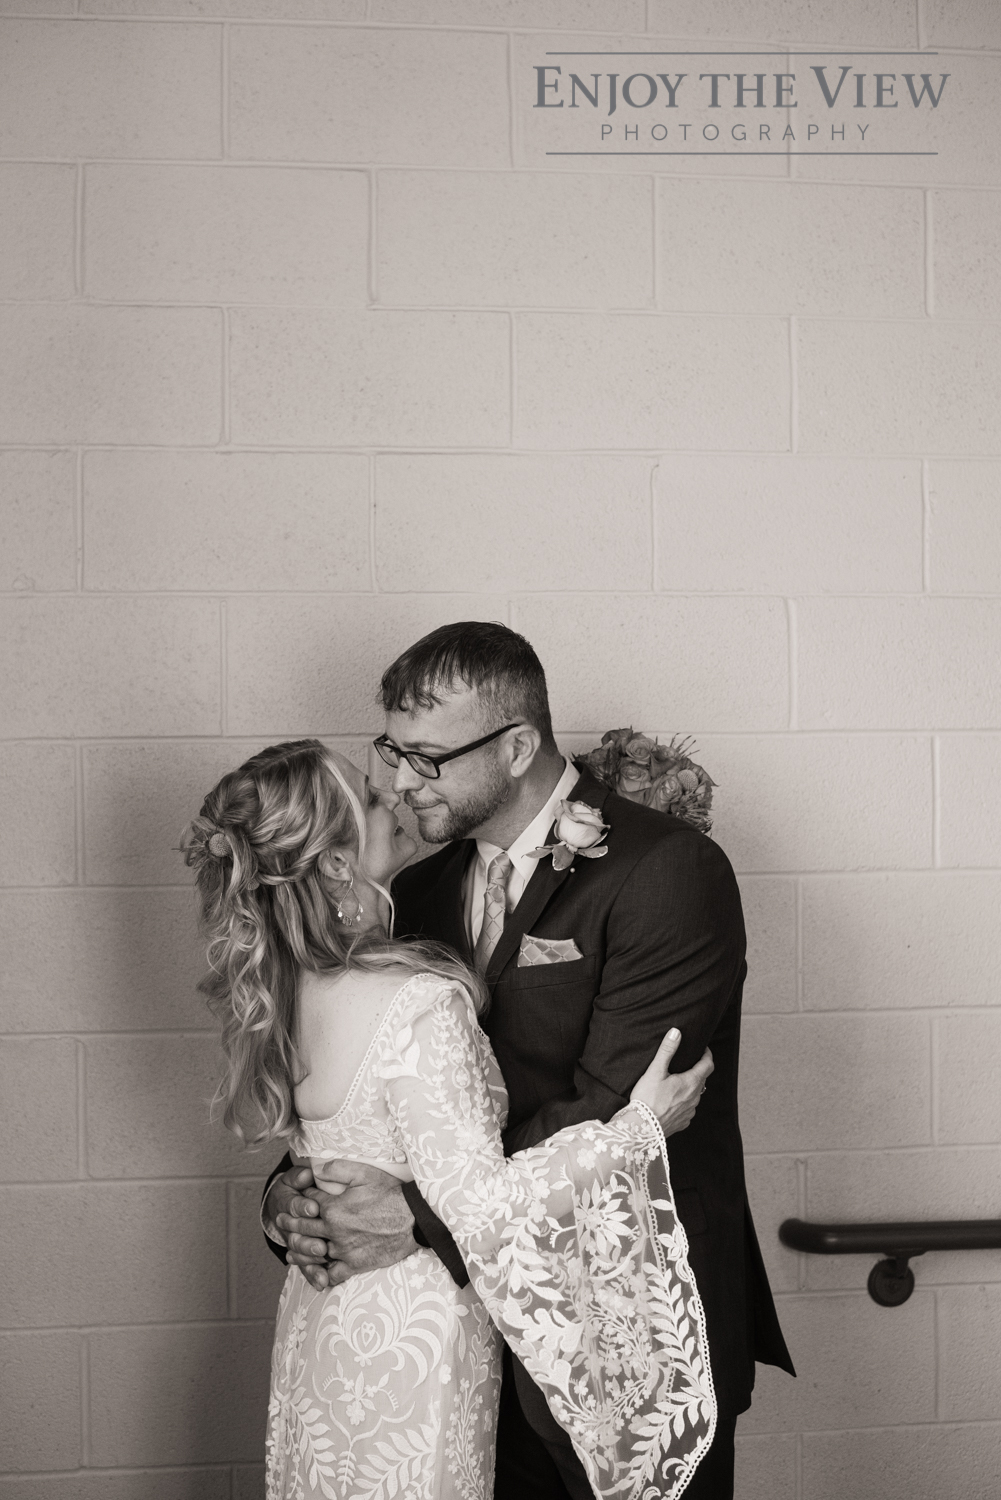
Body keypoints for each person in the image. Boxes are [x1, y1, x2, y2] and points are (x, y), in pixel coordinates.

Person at [263, 622, 794, 1500]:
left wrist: (415, 1217)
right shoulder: (414, 889)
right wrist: (301, 1192)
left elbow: (613, 1104)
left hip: (618, 1332)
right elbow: (379, 1078)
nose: (400, 782)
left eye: (428, 758)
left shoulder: (666, 870)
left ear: (515, 748)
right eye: (392, 751)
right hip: (458, 1344)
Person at [184, 738, 717, 1500]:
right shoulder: (417, 1003)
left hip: (324, 1319)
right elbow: (482, 1205)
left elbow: (335, 1149)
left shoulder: (291, 989)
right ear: (334, 865)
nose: (397, 793)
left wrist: (287, 1204)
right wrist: (638, 1132)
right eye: (371, 797)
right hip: (416, 1331)